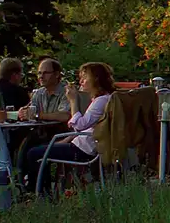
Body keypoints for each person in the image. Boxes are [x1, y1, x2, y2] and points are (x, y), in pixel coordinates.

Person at [20, 62, 114, 195]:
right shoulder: (105, 99)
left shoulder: (101, 101)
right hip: (81, 143)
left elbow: (80, 124)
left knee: (33, 153)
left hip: (83, 150)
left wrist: (73, 100)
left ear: (96, 79)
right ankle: (42, 191)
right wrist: (70, 138)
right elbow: (88, 128)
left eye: (85, 77)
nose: (80, 81)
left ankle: (38, 194)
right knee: (38, 148)